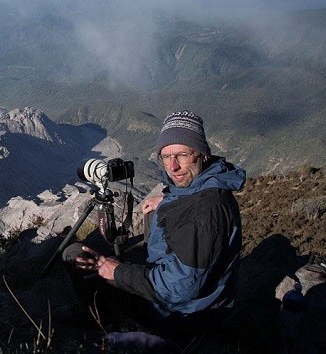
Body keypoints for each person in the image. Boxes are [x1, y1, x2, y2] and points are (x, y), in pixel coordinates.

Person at [62, 110, 246, 343]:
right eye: (165, 156)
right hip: (195, 300)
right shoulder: (207, 187)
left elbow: (179, 288)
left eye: (182, 155)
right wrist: (169, 201)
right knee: (151, 221)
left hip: (182, 315)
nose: (173, 166)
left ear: (202, 154)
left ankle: (105, 327)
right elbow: (195, 206)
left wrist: (114, 270)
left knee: (76, 255)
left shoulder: (204, 211)